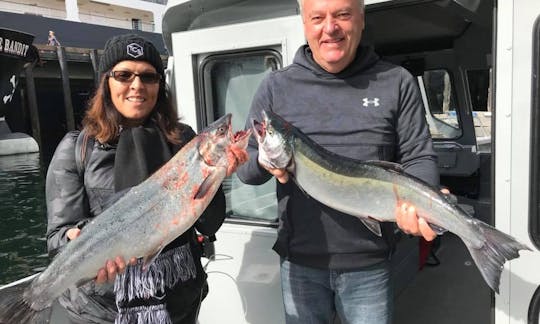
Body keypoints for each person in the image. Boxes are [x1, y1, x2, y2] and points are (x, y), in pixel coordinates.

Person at [236, 0, 441, 323]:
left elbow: (418, 155)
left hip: (370, 265)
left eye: (342, 15)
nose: (329, 28)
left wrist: (424, 203)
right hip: (300, 263)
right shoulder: (275, 87)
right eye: (317, 17)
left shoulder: (396, 81)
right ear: (305, 24)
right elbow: (246, 171)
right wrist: (263, 162)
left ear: (361, 20)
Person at [45, 34, 234, 324]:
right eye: (124, 75)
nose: (137, 86)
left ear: (160, 84)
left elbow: (210, 223)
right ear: (106, 82)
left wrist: (217, 176)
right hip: (99, 313)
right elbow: (57, 236)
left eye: (148, 77)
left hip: (179, 305)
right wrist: (81, 237)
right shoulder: (76, 149)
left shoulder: (184, 142)